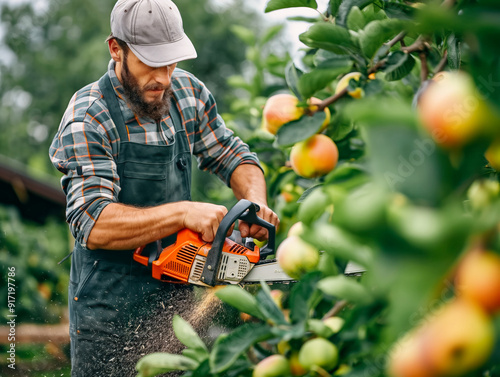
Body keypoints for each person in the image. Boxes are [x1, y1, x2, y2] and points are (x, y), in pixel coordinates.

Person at [49, 0, 279, 375]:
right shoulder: (89, 114)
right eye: (149, 63)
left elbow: (234, 154)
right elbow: (92, 221)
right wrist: (183, 212)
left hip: (175, 300)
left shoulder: (187, 92)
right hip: (107, 307)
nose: (163, 77)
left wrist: (254, 203)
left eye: (169, 62)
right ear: (116, 49)